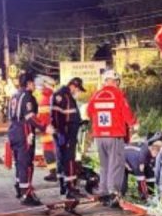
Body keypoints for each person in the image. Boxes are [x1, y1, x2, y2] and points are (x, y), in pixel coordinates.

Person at [86, 69, 137, 204]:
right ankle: (113, 193)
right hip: (114, 135)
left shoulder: (96, 95)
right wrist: (133, 124)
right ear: (113, 81)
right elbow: (126, 112)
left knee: (104, 165)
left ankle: (103, 190)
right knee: (116, 164)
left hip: (99, 136)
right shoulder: (118, 94)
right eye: (116, 81)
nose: (117, 84)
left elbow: (89, 112)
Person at [8, 73, 51, 205]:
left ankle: (19, 186)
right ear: (28, 84)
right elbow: (30, 116)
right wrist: (44, 127)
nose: (34, 86)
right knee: (26, 163)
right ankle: (26, 194)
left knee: (19, 162)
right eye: (32, 83)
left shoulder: (14, 95)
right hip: (24, 132)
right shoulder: (28, 96)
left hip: (13, 130)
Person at [51, 77, 86, 198]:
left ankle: (64, 186)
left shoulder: (65, 95)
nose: (78, 92)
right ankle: (70, 187)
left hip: (66, 132)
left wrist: (79, 122)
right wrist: (61, 132)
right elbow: (56, 115)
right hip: (66, 132)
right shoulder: (62, 95)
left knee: (62, 158)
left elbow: (69, 115)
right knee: (69, 158)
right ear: (73, 86)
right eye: (78, 89)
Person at [35, 76, 58, 183]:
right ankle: (54, 172)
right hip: (50, 130)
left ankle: (54, 173)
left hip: (48, 130)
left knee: (49, 152)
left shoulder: (46, 97)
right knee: (51, 152)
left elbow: (42, 116)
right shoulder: (51, 97)